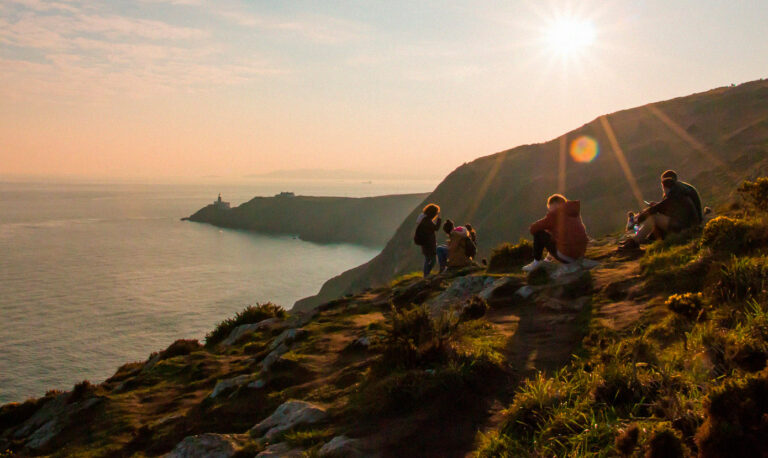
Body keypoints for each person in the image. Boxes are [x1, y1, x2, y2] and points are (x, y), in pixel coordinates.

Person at [620, 177, 698, 249]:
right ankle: (636, 240)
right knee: (657, 217)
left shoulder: (675, 195)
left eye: (663, 188)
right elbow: (664, 207)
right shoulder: (679, 193)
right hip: (686, 225)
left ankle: (634, 242)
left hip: (683, 227)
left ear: (666, 187)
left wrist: (641, 218)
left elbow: (658, 208)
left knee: (653, 218)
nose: (663, 191)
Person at [523, 194, 589, 272]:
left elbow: (533, 228)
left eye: (549, 208)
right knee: (557, 236)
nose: (549, 211)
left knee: (539, 233)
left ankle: (536, 263)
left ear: (555, 204)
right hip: (580, 255)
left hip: (567, 257)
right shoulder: (574, 212)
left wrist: (549, 228)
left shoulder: (555, 214)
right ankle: (548, 259)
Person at [414, 204, 442, 277]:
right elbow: (436, 228)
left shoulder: (424, 220)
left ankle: (426, 275)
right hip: (429, 245)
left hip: (425, 245)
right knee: (432, 261)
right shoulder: (427, 221)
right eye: (436, 213)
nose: (436, 214)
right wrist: (439, 219)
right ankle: (426, 275)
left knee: (428, 259)